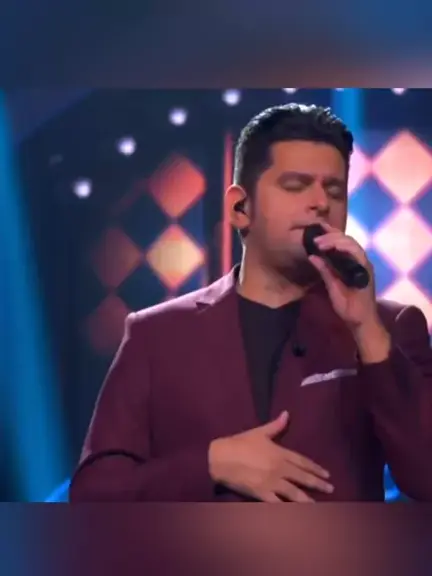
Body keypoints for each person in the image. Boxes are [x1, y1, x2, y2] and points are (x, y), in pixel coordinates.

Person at [69, 103, 432, 503]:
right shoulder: (155, 335)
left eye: (334, 190)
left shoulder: (388, 327)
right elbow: (94, 495)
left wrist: (366, 331)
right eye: (295, 186)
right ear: (240, 208)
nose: (320, 203)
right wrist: (211, 464)